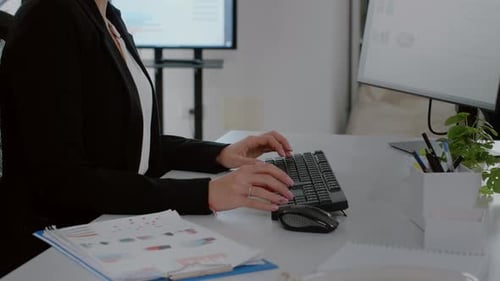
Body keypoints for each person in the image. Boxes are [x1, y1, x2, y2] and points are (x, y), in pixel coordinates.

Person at [0, 0, 295, 276]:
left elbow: (130, 143)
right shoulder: (48, 16)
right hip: (57, 252)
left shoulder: (107, 15)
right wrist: (204, 193)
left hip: (115, 223)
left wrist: (218, 155)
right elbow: (60, 180)